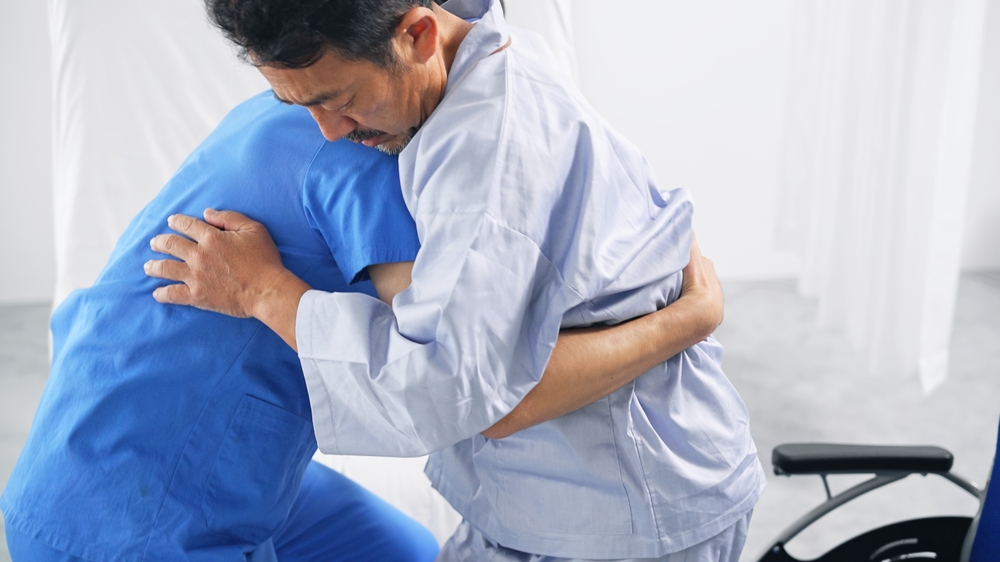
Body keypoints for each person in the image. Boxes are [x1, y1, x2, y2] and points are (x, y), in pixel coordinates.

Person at [146, 0, 764, 560]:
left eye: (337, 100)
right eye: (300, 106)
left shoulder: (482, 163)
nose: (330, 133)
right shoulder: (466, 40)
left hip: (627, 510)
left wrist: (263, 292)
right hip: (542, 498)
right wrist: (688, 318)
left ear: (417, 33)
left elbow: (455, 394)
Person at [2, 92, 722, 560]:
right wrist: (686, 320)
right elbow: (465, 390)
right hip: (126, 517)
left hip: (99, 440)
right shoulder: (358, 157)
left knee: (408, 552)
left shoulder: (284, 110)